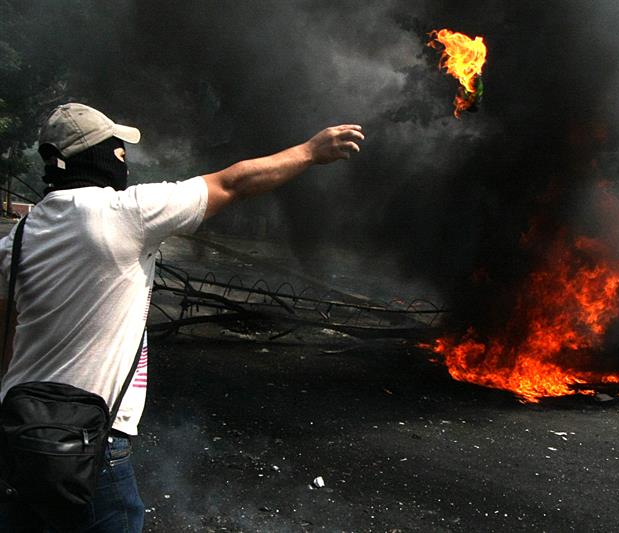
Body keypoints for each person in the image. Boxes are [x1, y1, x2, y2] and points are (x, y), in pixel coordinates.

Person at [0, 102, 364, 532]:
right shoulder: (125, 213)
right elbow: (232, 182)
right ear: (96, 157)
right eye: (117, 150)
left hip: (17, 433)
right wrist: (309, 151)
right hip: (88, 439)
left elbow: (7, 340)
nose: (123, 159)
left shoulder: (17, 239)